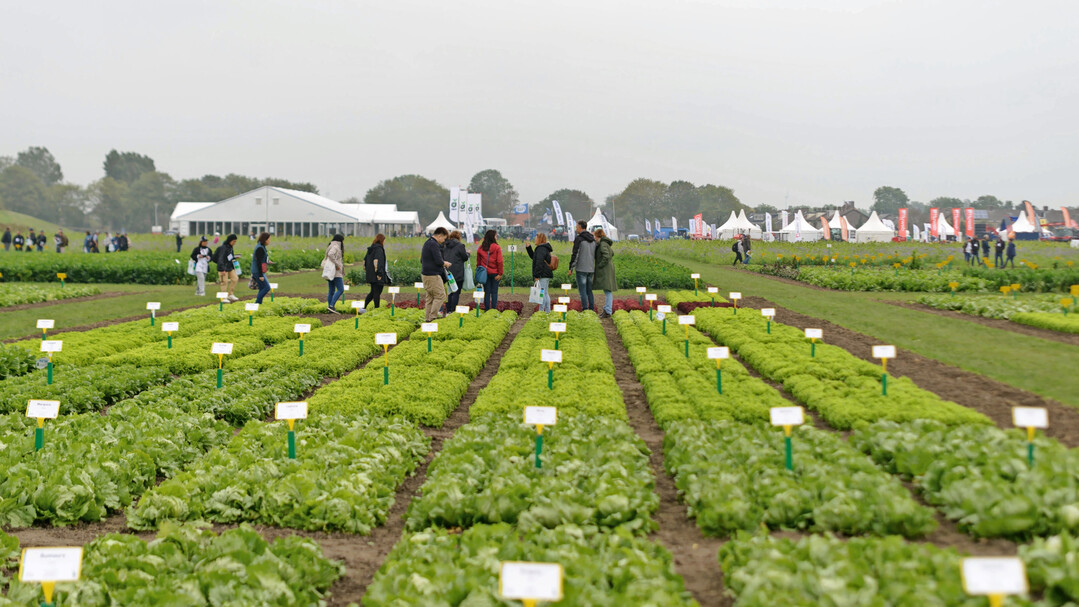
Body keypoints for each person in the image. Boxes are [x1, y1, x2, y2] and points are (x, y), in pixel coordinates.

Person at [421, 227, 451, 322]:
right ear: (439, 236)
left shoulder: (427, 243)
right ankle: (433, 317)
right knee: (440, 295)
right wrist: (445, 263)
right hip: (433, 275)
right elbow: (438, 260)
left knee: (430, 298)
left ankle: (428, 319)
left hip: (425, 274)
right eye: (444, 239)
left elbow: (421, 260)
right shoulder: (434, 245)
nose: (443, 241)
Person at [567, 219, 597, 312]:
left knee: (582, 291)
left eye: (576, 227)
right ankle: (591, 308)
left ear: (580, 227)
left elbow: (575, 254)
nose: (576, 229)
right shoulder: (593, 240)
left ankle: (584, 309)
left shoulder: (579, 239)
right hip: (591, 269)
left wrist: (571, 267)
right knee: (589, 290)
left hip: (581, 268)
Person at [526, 233, 554, 312]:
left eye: (536, 238)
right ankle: (547, 311)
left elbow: (539, 263)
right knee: (545, 293)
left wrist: (537, 275)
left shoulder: (541, 249)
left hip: (543, 274)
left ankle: (542, 311)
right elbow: (534, 257)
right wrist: (529, 248)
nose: (535, 240)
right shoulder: (543, 248)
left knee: (542, 293)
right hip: (546, 274)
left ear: (540, 239)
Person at [443, 230, 469, 313]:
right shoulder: (460, 246)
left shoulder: (445, 245)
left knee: (449, 292)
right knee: (456, 292)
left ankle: (448, 310)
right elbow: (465, 257)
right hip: (457, 272)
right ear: (459, 237)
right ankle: (453, 310)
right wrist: (468, 253)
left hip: (447, 271)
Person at [476, 229, 503, 311]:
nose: (496, 237)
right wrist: (500, 273)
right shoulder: (497, 247)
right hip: (495, 273)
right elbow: (500, 261)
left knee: (486, 292)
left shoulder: (481, 248)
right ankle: (494, 309)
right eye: (495, 235)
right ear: (493, 237)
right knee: (494, 292)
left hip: (485, 273)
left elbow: (478, 262)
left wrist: (479, 272)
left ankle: (487, 309)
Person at [593, 228, 616, 318]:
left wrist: (600, 265)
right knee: (607, 290)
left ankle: (608, 311)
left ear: (598, 236)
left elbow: (606, 256)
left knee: (607, 291)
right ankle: (607, 309)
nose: (594, 238)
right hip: (609, 268)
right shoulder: (606, 243)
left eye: (595, 236)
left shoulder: (602, 244)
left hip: (605, 269)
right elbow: (612, 253)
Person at [363, 234, 388, 309]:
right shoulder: (379, 249)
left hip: (370, 274)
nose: (385, 242)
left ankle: (364, 307)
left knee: (373, 292)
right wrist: (379, 273)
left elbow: (365, 261)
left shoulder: (371, 248)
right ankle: (376, 308)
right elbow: (377, 261)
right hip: (376, 274)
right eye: (384, 240)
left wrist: (367, 270)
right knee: (377, 292)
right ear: (382, 240)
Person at [323, 234, 345, 313]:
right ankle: (331, 305)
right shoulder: (336, 247)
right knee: (341, 289)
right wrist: (337, 264)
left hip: (330, 272)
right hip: (335, 272)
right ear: (340, 241)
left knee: (331, 290)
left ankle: (330, 308)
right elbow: (330, 254)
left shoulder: (331, 245)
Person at [215, 234, 240, 302]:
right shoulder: (223, 248)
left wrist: (234, 257)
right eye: (233, 241)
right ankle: (223, 297)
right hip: (223, 268)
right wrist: (222, 269)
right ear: (230, 240)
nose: (234, 243)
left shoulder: (230, 247)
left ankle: (230, 294)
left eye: (235, 241)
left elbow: (229, 257)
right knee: (224, 282)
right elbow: (220, 259)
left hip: (229, 267)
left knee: (235, 279)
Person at [251, 232, 273, 304]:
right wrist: (260, 275)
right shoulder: (260, 248)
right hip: (258, 271)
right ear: (265, 239)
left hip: (257, 271)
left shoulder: (261, 246)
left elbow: (261, 259)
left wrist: (267, 261)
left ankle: (259, 303)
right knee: (267, 287)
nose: (269, 241)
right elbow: (258, 262)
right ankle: (257, 303)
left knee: (261, 288)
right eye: (269, 239)